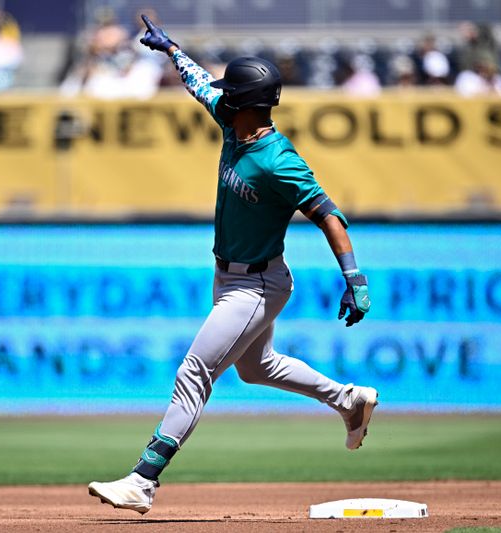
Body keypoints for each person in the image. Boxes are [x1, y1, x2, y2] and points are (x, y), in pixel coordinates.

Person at [88, 15, 377, 514]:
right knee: (256, 366)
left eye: (230, 93)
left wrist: (355, 279)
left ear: (246, 103)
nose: (220, 97)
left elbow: (330, 216)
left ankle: (143, 479)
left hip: (258, 283)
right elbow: (201, 85)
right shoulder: (234, 120)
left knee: (195, 371)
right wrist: (173, 50)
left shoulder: (278, 160)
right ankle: (347, 399)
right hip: (229, 276)